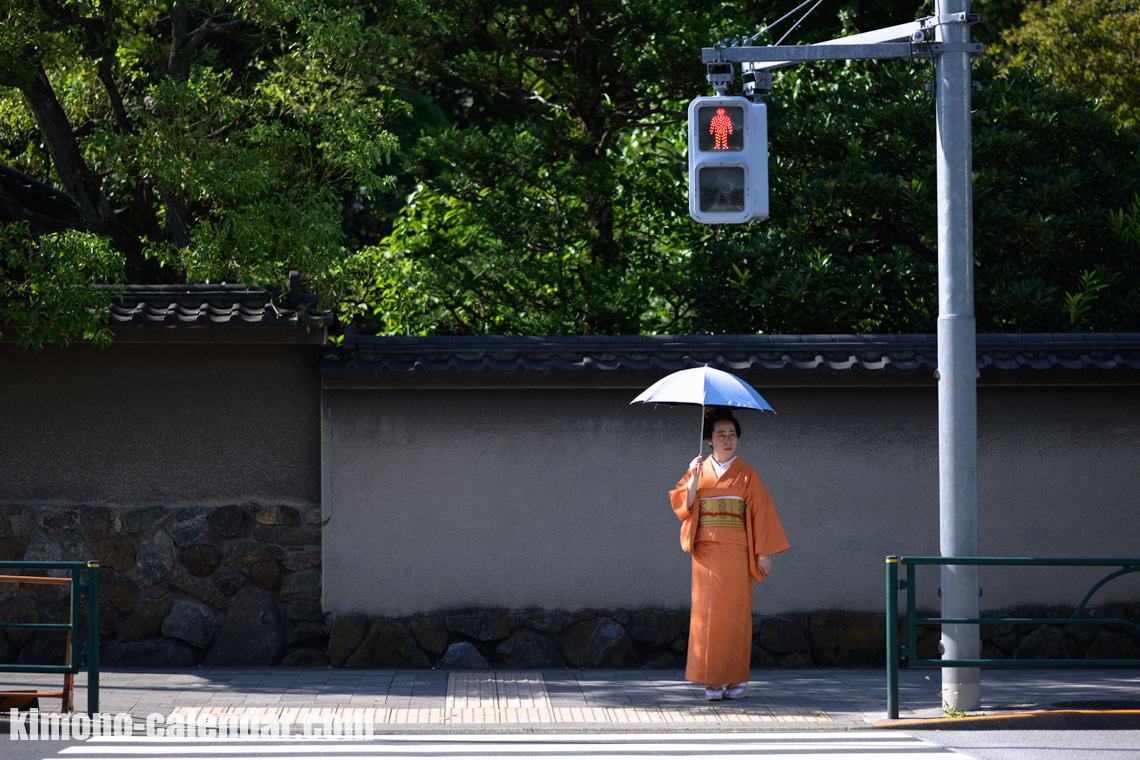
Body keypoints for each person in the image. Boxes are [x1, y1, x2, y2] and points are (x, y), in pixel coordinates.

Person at [669, 406, 789, 701]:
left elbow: (761, 513)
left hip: (736, 552)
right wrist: (694, 481)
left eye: (732, 434)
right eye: (720, 435)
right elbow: (680, 505)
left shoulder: (747, 475)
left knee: (735, 615)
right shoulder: (697, 470)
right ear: (708, 439)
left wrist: (763, 554)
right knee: (706, 616)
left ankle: (737, 678)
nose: (727, 440)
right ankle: (713, 680)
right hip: (705, 553)